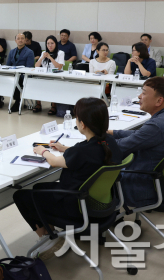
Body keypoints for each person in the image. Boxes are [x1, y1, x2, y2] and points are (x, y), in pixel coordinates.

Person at [13, 97, 122, 259]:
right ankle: (50, 230)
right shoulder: (110, 142)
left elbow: (54, 161)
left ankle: (48, 238)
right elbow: (87, 155)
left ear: (82, 124)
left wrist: (42, 151)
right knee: (38, 188)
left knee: (21, 195)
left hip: (77, 206)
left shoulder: (82, 151)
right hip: (103, 204)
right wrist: (64, 148)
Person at [108, 77, 164, 208]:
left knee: (96, 170)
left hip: (145, 185)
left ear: (159, 100)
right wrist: (112, 133)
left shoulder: (157, 125)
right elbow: (139, 135)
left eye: (144, 93)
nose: (139, 96)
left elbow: (121, 147)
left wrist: (98, 142)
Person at [0, 33, 35, 112]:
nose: (20, 40)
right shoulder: (12, 51)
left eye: (22, 38)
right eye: (18, 38)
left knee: (16, 80)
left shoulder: (29, 52)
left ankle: (17, 102)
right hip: (13, 74)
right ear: (15, 40)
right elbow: (8, 65)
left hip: (24, 76)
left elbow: (29, 68)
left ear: (25, 40)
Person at [32, 35, 66, 114]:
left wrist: (50, 57)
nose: (50, 45)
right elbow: (36, 66)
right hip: (44, 76)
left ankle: (53, 106)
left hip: (56, 77)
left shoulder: (60, 53)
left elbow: (59, 67)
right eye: (48, 43)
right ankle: (38, 104)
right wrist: (42, 58)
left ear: (56, 44)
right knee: (35, 83)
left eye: (52, 43)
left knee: (53, 85)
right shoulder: (44, 53)